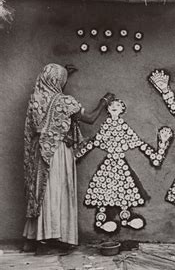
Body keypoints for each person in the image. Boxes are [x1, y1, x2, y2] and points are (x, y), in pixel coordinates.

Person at [22, 63, 115, 255]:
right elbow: (89, 118)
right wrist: (104, 101)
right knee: (56, 193)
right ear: (58, 82)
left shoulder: (35, 101)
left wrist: (64, 74)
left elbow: (50, 108)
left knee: (40, 193)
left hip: (39, 153)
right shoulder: (65, 102)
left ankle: (32, 239)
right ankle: (47, 241)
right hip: (57, 153)